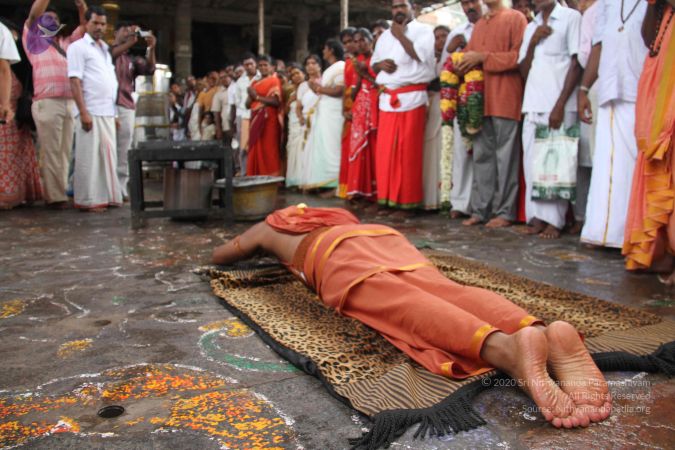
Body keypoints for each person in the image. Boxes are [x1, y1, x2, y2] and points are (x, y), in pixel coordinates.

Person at [211, 204, 612, 429]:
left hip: (332, 254)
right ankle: (536, 329)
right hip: (382, 237)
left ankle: (506, 350)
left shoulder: (270, 225)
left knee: (401, 304)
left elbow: (224, 255)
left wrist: (261, 238)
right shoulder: (337, 212)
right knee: (444, 289)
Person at [577, 0, 648, 248]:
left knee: (634, 164)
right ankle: (601, 233)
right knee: (605, 164)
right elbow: (599, 44)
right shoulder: (607, 3)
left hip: (640, 88)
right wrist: (583, 89)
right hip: (609, 88)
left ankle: (632, 236)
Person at [458, 0, 528, 228]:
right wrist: (460, 62)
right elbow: (470, 56)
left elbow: (518, 58)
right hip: (480, 100)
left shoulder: (515, 18)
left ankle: (505, 212)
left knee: (506, 158)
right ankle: (481, 209)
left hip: (506, 97)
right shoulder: (479, 24)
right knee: (481, 156)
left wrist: (483, 58)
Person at [519, 0, 582, 239]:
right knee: (532, 165)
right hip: (533, 104)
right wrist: (533, 42)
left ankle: (555, 221)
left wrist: (560, 105)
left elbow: (577, 64)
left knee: (557, 164)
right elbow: (523, 69)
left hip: (558, 104)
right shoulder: (531, 26)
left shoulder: (570, 17)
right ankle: (536, 217)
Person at [623, 0, 675, 280]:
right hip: (658, 92)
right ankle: (663, 252)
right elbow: (648, 39)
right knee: (658, 166)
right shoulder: (663, 12)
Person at [370, 0, 436, 214]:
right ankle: (386, 199)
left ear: (412, 8)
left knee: (408, 152)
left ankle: (408, 202)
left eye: (402, 6)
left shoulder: (424, 30)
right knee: (386, 152)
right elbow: (374, 63)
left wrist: (400, 36)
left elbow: (421, 56)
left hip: (412, 97)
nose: (398, 10)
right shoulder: (384, 36)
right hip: (387, 99)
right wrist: (380, 65)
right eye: (394, 7)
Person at [23, 0, 87, 209]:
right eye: (47, 19)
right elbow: (33, 16)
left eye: (55, 20)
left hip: (69, 102)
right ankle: (54, 196)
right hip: (47, 101)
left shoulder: (67, 43)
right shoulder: (35, 41)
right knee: (51, 151)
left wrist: (81, 8)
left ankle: (57, 192)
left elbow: (85, 28)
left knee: (65, 152)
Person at [67, 6, 121, 212]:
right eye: (95, 23)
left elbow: (109, 82)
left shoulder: (105, 49)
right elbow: (75, 81)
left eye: (102, 24)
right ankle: (87, 200)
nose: (99, 27)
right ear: (86, 24)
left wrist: (114, 113)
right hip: (90, 110)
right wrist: (83, 112)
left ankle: (107, 196)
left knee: (108, 156)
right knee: (88, 158)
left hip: (107, 110)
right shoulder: (78, 47)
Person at [444, 0, 483, 219]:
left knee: (484, 154)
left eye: (473, 1)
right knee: (462, 152)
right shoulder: (457, 33)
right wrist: (453, 50)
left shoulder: (490, 26)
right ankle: (460, 203)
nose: (469, 6)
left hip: (488, 95)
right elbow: (445, 69)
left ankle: (482, 205)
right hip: (462, 98)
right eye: (465, 3)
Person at [0, 19, 43, 209]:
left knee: (9, 152)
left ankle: (9, 194)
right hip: (9, 106)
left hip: (10, 109)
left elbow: (4, 71)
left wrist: (5, 105)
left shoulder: (5, 36)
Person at [111, 22, 156, 201]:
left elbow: (149, 69)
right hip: (107, 105)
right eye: (125, 30)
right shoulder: (105, 51)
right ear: (115, 32)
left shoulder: (131, 59)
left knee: (123, 149)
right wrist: (131, 41)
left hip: (126, 105)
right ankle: (108, 187)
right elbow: (111, 55)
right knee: (106, 148)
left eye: (131, 31)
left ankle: (121, 188)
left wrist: (151, 47)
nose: (129, 33)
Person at [301, 40, 346, 192]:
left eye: (325, 49)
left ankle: (336, 183)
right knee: (325, 146)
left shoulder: (340, 66)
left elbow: (340, 90)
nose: (323, 52)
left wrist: (318, 88)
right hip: (325, 111)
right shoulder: (331, 69)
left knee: (333, 146)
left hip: (333, 112)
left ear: (331, 50)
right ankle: (326, 183)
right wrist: (315, 88)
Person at [572, 0, 600, 235]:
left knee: (594, 159)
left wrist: (583, 90)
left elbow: (585, 56)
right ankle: (586, 218)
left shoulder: (593, 12)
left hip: (595, 87)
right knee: (590, 158)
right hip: (595, 87)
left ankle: (589, 220)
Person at [346, 28, 378, 202]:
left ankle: (374, 190)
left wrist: (365, 74)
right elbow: (352, 94)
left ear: (370, 40)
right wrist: (359, 78)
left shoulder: (378, 59)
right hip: (360, 106)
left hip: (375, 104)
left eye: (362, 40)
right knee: (359, 146)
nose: (359, 44)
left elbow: (381, 84)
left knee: (373, 145)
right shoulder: (356, 61)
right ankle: (359, 189)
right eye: (356, 41)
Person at [422, 24, 450, 211]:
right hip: (430, 106)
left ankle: (445, 196)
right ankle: (430, 197)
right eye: (437, 37)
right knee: (430, 148)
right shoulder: (426, 60)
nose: (440, 41)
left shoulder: (453, 58)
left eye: (444, 37)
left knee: (445, 147)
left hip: (448, 105)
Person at [246, 55, 283, 177]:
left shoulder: (274, 80)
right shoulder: (255, 83)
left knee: (269, 149)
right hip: (255, 117)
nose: (262, 68)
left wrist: (256, 97)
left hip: (269, 120)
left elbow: (276, 102)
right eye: (260, 65)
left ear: (272, 67)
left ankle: (272, 178)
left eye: (265, 65)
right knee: (255, 147)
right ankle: (256, 175)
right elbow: (247, 104)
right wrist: (250, 94)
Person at [338, 27, 358, 199]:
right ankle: (349, 189)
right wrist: (343, 109)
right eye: (345, 43)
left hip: (361, 107)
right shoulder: (348, 62)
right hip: (348, 109)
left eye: (351, 41)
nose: (348, 45)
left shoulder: (364, 60)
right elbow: (346, 86)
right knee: (347, 148)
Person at [233, 54, 260, 176]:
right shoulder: (240, 81)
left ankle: (257, 172)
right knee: (243, 146)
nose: (249, 67)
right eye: (246, 65)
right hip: (243, 115)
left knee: (257, 144)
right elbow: (237, 101)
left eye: (251, 64)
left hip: (257, 114)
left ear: (255, 64)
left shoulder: (261, 78)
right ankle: (244, 172)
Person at [285, 64, 308, 188]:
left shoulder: (308, 88)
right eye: (293, 75)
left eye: (298, 73)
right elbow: (284, 111)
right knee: (293, 149)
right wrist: (290, 101)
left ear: (304, 74)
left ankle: (303, 181)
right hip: (292, 125)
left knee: (302, 149)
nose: (296, 76)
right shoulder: (292, 92)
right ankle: (294, 180)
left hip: (303, 123)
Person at [212, 72, 232, 144]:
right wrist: (218, 129)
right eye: (221, 78)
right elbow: (216, 113)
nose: (224, 79)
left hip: (239, 123)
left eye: (225, 76)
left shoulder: (237, 88)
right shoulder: (218, 94)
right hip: (226, 126)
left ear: (230, 77)